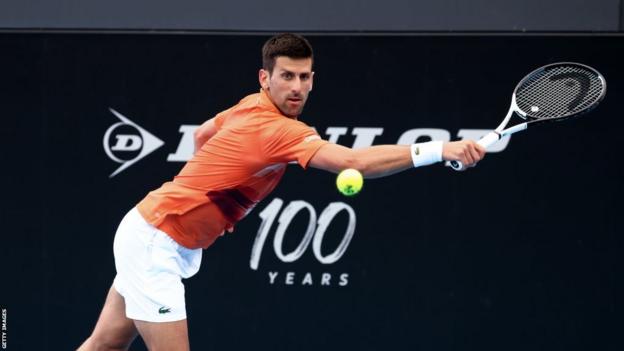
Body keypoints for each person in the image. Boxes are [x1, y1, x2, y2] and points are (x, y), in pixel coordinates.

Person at [78, 33, 485, 351]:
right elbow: (354, 163)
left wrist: (218, 204)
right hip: (156, 241)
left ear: (313, 79)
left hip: (154, 231)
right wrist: (440, 148)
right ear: (265, 77)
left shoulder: (251, 104)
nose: (296, 87)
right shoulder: (281, 130)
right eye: (286, 76)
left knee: (107, 343)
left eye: (304, 77)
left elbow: (203, 135)